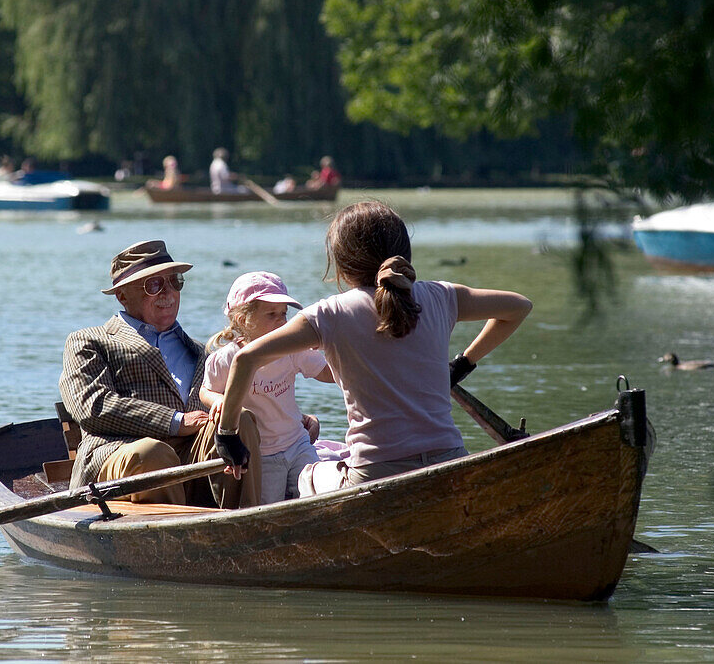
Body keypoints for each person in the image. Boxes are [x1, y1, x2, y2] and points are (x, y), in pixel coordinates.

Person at [210, 200, 532, 496]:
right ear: (404, 252)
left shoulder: (329, 314)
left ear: (342, 265)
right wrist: (461, 365)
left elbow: (246, 358)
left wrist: (227, 436)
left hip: (374, 475)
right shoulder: (442, 296)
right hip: (449, 461)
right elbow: (519, 307)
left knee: (306, 475)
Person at [59, 240, 262, 508]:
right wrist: (175, 421)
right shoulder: (89, 341)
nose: (168, 293)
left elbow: (238, 396)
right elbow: (92, 407)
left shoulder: (202, 352)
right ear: (122, 295)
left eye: (174, 282)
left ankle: (248, 525)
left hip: (192, 461)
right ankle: (171, 538)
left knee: (240, 418)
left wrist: (293, 418)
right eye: (153, 285)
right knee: (153, 453)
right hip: (122, 458)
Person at [201, 272, 336, 505]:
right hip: (262, 454)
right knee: (270, 506)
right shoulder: (226, 359)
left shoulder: (292, 349)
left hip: (297, 442)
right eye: (272, 315)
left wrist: (348, 358)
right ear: (244, 320)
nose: (282, 321)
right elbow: (205, 391)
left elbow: (328, 373)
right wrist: (217, 401)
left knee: (318, 497)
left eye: (284, 314)